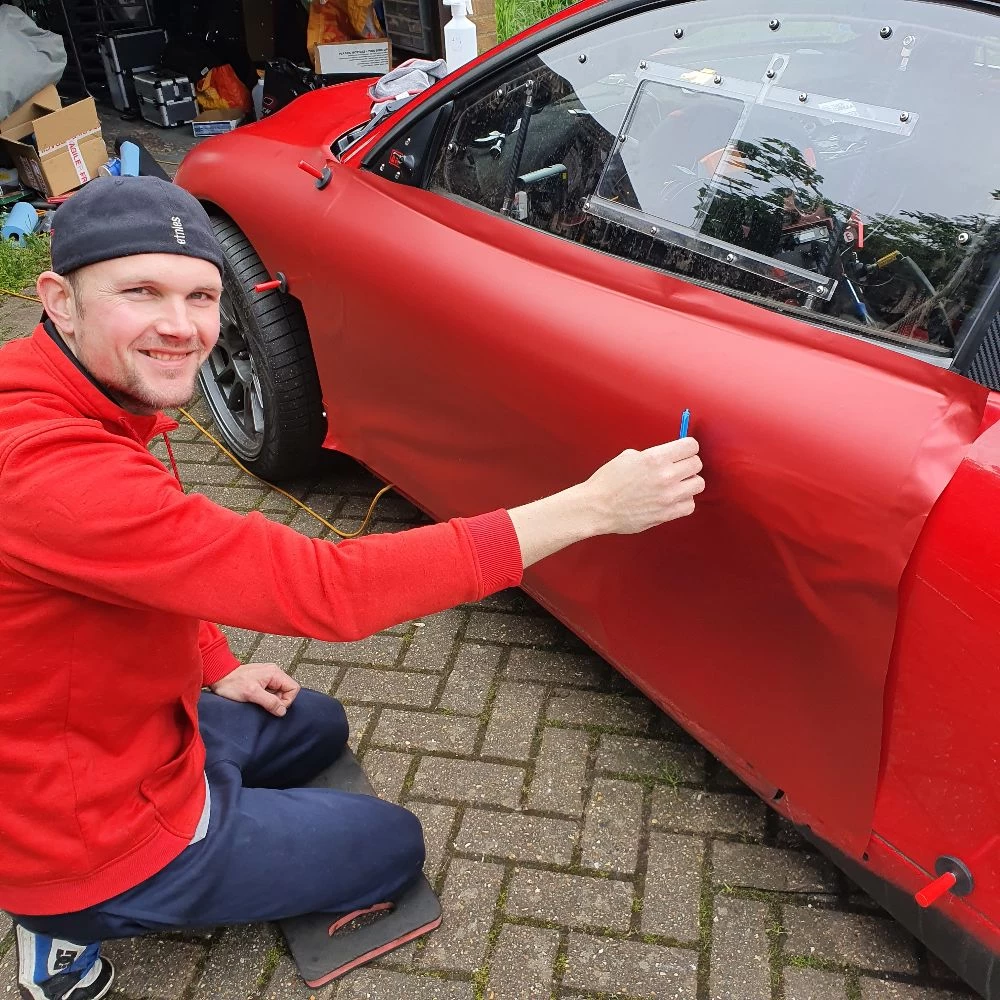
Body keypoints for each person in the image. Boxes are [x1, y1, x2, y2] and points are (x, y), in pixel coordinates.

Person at [0, 176, 704, 1000]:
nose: (180, 326)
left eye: (200, 295)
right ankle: (62, 928)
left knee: (311, 722)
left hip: (96, 732)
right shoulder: (46, 470)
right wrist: (590, 509)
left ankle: (197, 805)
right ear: (59, 299)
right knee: (390, 846)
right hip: (83, 832)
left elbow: (147, 567)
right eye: (141, 292)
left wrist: (214, 661)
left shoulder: (65, 389)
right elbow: (327, 590)